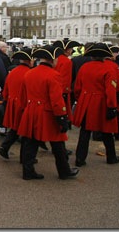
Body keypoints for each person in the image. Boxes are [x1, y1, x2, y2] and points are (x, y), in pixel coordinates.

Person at [17, 45, 79, 180]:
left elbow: (22, 96)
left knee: (30, 143)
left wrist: (24, 109)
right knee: (58, 143)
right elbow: (56, 100)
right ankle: (64, 171)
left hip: (31, 110)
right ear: (52, 59)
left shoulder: (29, 73)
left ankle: (28, 171)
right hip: (47, 113)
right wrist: (62, 116)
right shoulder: (54, 75)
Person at [72, 43, 119, 166]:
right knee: (107, 131)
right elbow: (110, 90)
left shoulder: (84, 67)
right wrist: (112, 106)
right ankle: (111, 157)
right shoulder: (109, 68)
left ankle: (80, 158)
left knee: (85, 132)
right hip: (102, 102)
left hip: (86, 100)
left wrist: (81, 98)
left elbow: (77, 87)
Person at [0, 48, 33, 160]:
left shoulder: (13, 72)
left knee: (15, 128)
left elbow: (5, 91)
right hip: (24, 104)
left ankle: (5, 147)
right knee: (26, 132)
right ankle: (25, 157)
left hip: (12, 103)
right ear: (29, 60)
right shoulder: (30, 73)